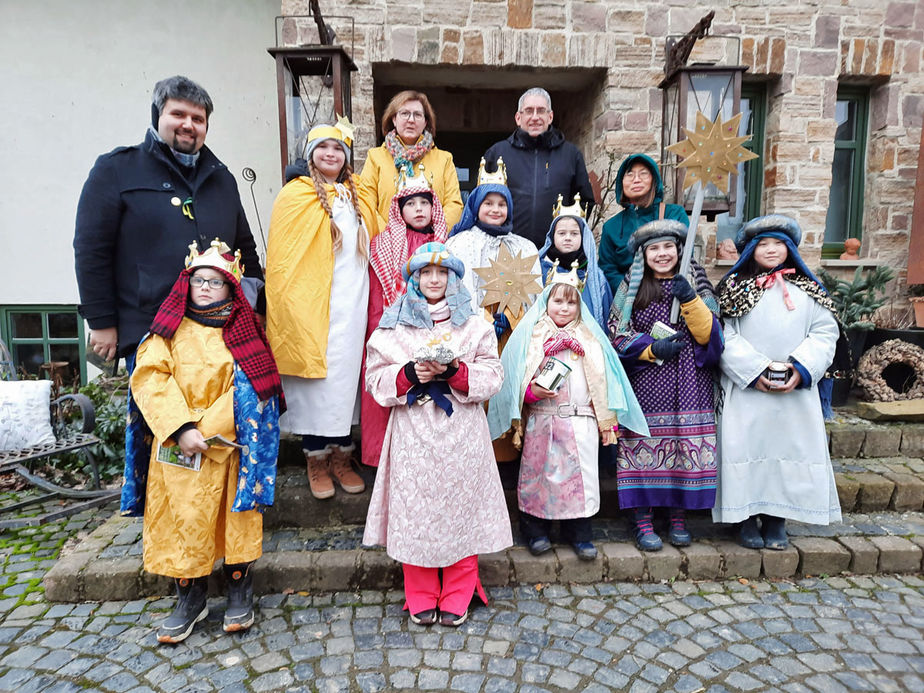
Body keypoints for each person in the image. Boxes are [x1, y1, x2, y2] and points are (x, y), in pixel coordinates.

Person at [121, 240, 284, 643]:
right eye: (199, 280)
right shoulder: (167, 331)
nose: (207, 287)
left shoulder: (245, 332)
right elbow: (149, 378)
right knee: (186, 521)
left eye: (217, 281)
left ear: (231, 288)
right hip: (178, 448)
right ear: (187, 284)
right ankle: (189, 598)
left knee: (235, 521)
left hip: (228, 447)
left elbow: (256, 387)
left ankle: (239, 587)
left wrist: (209, 427)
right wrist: (182, 427)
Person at [363, 242, 512, 627]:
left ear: (453, 278)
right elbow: (375, 377)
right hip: (413, 431)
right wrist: (410, 374)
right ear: (414, 278)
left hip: (462, 431)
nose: (434, 279)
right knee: (416, 511)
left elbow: (494, 374)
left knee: (461, 507)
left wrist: (456, 374)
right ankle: (421, 592)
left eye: (442, 273)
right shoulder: (393, 325)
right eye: (426, 273)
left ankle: (459, 591)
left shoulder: (475, 324)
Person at [74, 75, 263, 364]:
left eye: (198, 119)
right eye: (178, 114)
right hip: (151, 332)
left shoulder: (222, 179)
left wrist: (257, 308)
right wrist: (101, 321)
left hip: (220, 331)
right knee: (158, 410)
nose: (189, 124)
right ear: (158, 115)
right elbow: (92, 250)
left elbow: (244, 247)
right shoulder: (116, 170)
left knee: (221, 410)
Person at [488, 272, 648, 561]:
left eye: (571, 303)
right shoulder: (533, 335)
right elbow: (515, 377)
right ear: (546, 303)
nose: (564, 308)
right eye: (558, 301)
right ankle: (536, 530)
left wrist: (605, 420)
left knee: (580, 481)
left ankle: (580, 533)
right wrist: (532, 392)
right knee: (539, 477)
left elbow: (604, 377)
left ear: (579, 307)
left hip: (580, 420)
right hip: (543, 419)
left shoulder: (590, 338)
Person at [265, 123, 379, 499]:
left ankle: (341, 457)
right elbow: (285, 257)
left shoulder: (359, 193)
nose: (331, 154)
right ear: (310, 152)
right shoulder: (295, 194)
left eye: (338, 148)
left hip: (353, 301)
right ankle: (316, 457)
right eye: (323, 147)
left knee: (345, 381)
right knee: (317, 384)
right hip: (313, 302)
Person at [714, 215, 842, 550]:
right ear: (750, 250)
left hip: (794, 392)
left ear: (790, 250)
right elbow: (723, 335)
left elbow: (825, 333)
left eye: (778, 243)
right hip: (748, 389)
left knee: (787, 450)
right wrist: (755, 370)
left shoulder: (808, 290)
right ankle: (743, 517)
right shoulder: (733, 290)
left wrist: (800, 368)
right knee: (745, 449)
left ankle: (777, 519)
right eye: (763, 244)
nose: (771, 250)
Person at [608, 220, 723, 551]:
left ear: (679, 250)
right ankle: (642, 518)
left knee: (681, 450)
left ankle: (677, 514)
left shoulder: (697, 282)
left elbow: (711, 337)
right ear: (644, 255)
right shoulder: (632, 286)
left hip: (689, 381)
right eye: (654, 249)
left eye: (668, 247)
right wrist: (649, 348)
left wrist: (689, 298)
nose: (662, 254)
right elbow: (616, 333)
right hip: (647, 382)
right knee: (641, 449)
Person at [361, 169, 449, 467]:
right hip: (393, 326)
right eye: (411, 204)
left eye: (424, 203)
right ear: (399, 209)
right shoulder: (383, 244)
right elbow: (378, 297)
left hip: (436, 329)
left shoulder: (445, 241)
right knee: (392, 383)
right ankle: (380, 458)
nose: (419, 210)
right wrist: (383, 332)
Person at [446, 159, 541, 351]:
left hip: (514, 335)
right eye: (488, 203)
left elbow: (534, 296)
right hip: (471, 337)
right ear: (476, 205)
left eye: (501, 204)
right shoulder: (459, 244)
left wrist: (511, 316)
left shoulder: (525, 247)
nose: (495, 210)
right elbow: (455, 291)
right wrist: (485, 321)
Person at [483, 87, 595, 249]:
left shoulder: (571, 155)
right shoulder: (497, 153)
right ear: (518, 117)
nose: (535, 117)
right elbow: (480, 202)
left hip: (554, 255)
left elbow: (584, 202)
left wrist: (566, 235)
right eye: (529, 111)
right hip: (505, 251)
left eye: (541, 111)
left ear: (550, 117)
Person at [360, 90, 463, 230]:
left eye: (417, 114)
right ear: (394, 119)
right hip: (386, 243)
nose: (411, 120)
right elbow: (366, 203)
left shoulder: (444, 159)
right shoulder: (375, 157)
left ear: (425, 122)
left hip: (432, 245)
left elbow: (454, 204)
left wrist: (433, 236)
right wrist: (390, 235)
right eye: (404, 113)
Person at [598, 154, 689, 292]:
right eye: (630, 175)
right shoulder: (611, 227)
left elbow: (687, 256)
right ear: (621, 182)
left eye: (643, 174)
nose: (636, 180)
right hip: (628, 300)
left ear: (654, 180)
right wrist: (633, 293)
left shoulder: (674, 214)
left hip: (670, 294)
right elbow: (608, 269)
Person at [537, 195, 613, 330]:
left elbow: (605, 317)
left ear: (583, 237)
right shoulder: (538, 270)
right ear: (552, 236)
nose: (567, 238)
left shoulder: (595, 278)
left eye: (574, 233)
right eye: (561, 233)